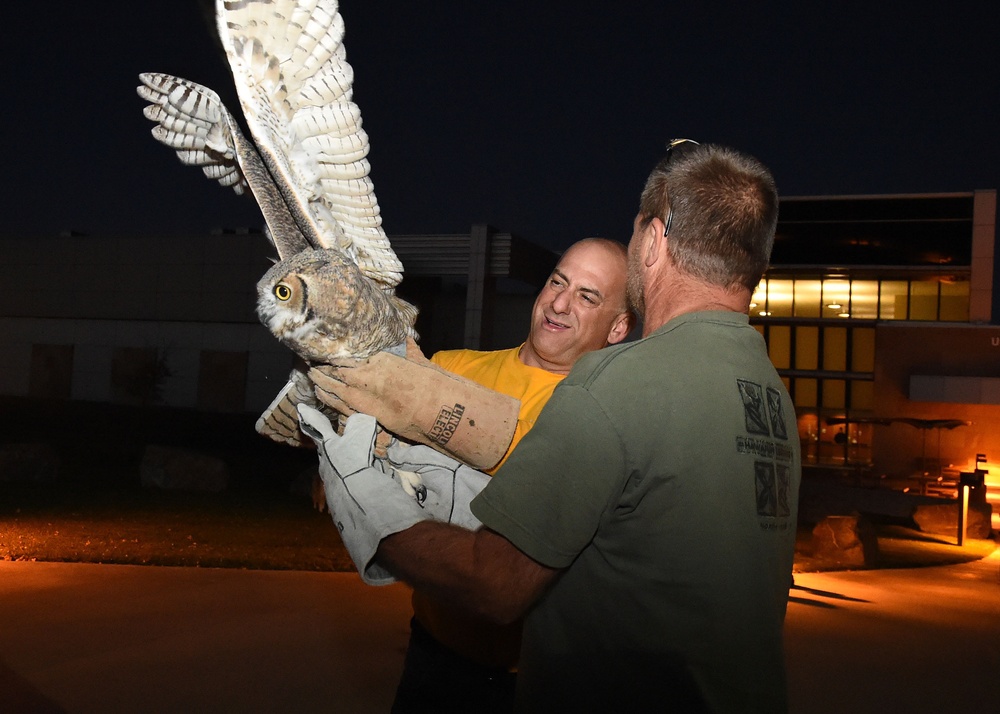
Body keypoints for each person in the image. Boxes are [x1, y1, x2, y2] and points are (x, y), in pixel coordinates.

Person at [301, 140, 800, 712]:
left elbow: (495, 584)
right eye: (559, 282)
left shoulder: (618, 385)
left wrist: (361, 496)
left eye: (637, 232)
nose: (562, 303)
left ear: (656, 241)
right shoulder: (768, 394)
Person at [309, 237, 634, 713]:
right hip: (432, 656)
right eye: (557, 282)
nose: (560, 303)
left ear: (618, 326)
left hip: (531, 683)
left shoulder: (601, 421)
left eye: (588, 297)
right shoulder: (449, 370)